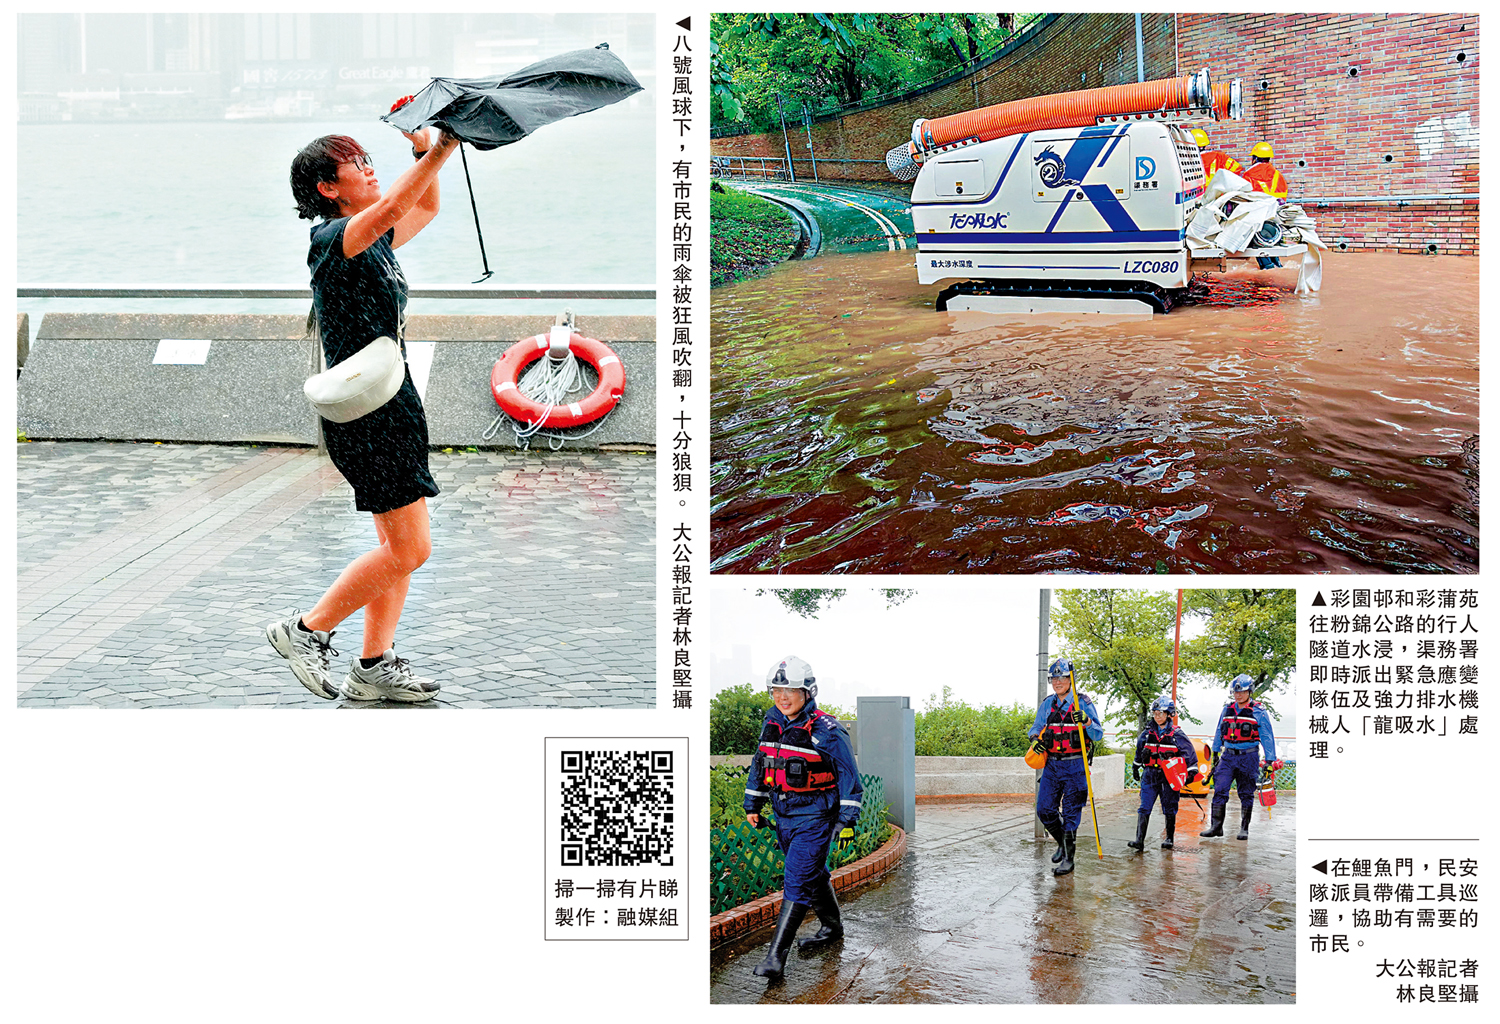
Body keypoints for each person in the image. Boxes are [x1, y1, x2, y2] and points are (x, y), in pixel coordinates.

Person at [267, 103, 463, 702]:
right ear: (328, 189)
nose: (369, 170)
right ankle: (303, 631)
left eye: (369, 160)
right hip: (369, 414)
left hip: (390, 401)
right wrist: (443, 146)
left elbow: (421, 206)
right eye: (356, 165)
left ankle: (373, 666)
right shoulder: (333, 238)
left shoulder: (372, 238)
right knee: (411, 548)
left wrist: (419, 150)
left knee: (395, 550)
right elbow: (396, 207)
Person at [743, 656, 863, 980]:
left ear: (808, 692)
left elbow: (851, 780)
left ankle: (774, 959)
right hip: (783, 816)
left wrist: (846, 823)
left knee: (796, 881)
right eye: (777, 690)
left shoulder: (828, 730)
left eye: (791, 690)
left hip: (814, 818)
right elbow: (760, 763)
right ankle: (832, 926)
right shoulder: (772, 721)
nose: (783, 697)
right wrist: (751, 804)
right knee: (814, 874)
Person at [1029, 657, 1103, 876]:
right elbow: (1035, 728)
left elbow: (1097, 734)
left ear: (1071, 679)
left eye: (1062, 677)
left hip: (1076, 765)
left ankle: (1069, 859)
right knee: (1044, 809)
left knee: (1071, 813)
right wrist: (1035, 740)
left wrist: (1087, 722)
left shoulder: (1084, 703)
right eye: (1054, 678)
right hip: (1052, 765)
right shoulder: (1047, 704)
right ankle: (1062, 842)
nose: (1057, 682)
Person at [1202, 674, 1282, 840]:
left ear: (1249, 691)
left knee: (1246, 793)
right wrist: (1216, 752)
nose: (1238, 695)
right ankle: (1216, 827)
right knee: (1220, 788)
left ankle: (1244, 828)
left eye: (1242, 692)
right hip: (1228, 757)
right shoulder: (1227, 709)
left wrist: (1269, 761)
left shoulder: (1259, 712)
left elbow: (1267, 736)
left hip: (1248, 757)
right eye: (1235, 692)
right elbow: (1219, 730)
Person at [1129, 695, 1199, 851]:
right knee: (1144, 807)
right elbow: (1139, 751)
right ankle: (1139, 841)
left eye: (1161, 712)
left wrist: (1190, 773)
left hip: (1169, 777)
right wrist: (1135, 767)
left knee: (1169, 807)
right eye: (1155, 712)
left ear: (1169, 714)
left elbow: (1189, 754)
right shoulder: (1147, 733)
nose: (1157, 716)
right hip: (1150, 775)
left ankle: (1169, 838)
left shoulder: (1177, 734)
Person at [1241, 142, 1288, 268]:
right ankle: (1277, 264)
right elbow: (1283, 195)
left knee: (1259, 242)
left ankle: (1267, 267)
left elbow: (1244, 196)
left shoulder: (1248, 175)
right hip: (1274, 213)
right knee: (1272, 240)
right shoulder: (1277, 175)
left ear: (1254, 158)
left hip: (1257, 214)